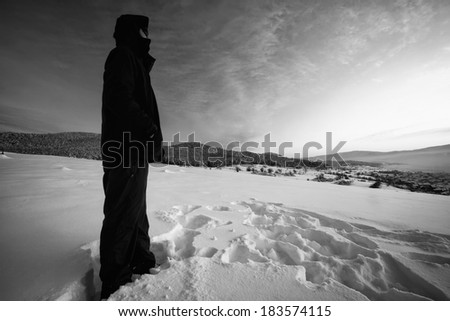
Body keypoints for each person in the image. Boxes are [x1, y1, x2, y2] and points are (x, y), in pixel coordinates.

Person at [100, 14, 163, 300]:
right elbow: (118, 97)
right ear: (132, 31)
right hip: (126, 149)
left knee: (136, 212)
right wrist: (148, 129)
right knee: (122, 216)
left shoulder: (134, 62)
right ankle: (115, 281)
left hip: (132, 151)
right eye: (143, 29)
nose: (147, 33)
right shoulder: (122, 56)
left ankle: (141, 260)